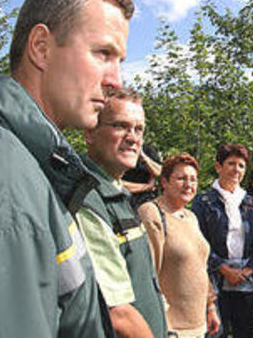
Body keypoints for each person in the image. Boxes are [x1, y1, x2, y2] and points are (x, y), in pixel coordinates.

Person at [0, 0, 133, 337]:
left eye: (120, 61)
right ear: (41, 48)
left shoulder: (33, 165)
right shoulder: (8, 182)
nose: (116, 81)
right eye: (103, 53)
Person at [77, 88, 166, 338]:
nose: (133, 138)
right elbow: (118, 315)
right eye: (121, 126)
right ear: (89, 132)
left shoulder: (118, 195)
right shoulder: (87, 200)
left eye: (139, 129)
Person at [138, 153, 221, 337]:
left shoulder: (190, 217)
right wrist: (165, 325)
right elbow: (147, 276)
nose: (188, 184)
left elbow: (201, 266)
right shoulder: (152, 213)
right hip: (172, 329)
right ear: (165, 182)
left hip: (198, 327)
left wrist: (210, 306)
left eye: (193, 179)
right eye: (181, 178)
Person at [192, 144, 253, 338]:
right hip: (214, 278)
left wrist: (247, 271)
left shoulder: (250, 203)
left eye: (241, 165)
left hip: (245, 279)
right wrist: (224, 269)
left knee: (247, 332)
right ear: (218, 166)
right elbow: (198, 242)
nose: (236, 169)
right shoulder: (203, 202)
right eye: (231, 163)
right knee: (216, 332)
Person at [123, 144, 163, 211]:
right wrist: (147, 187)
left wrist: (144, 157)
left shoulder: (148, 151)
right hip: (126, 199)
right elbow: (117, 184)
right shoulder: (119, 153)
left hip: (149, 200)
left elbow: (162, 174)